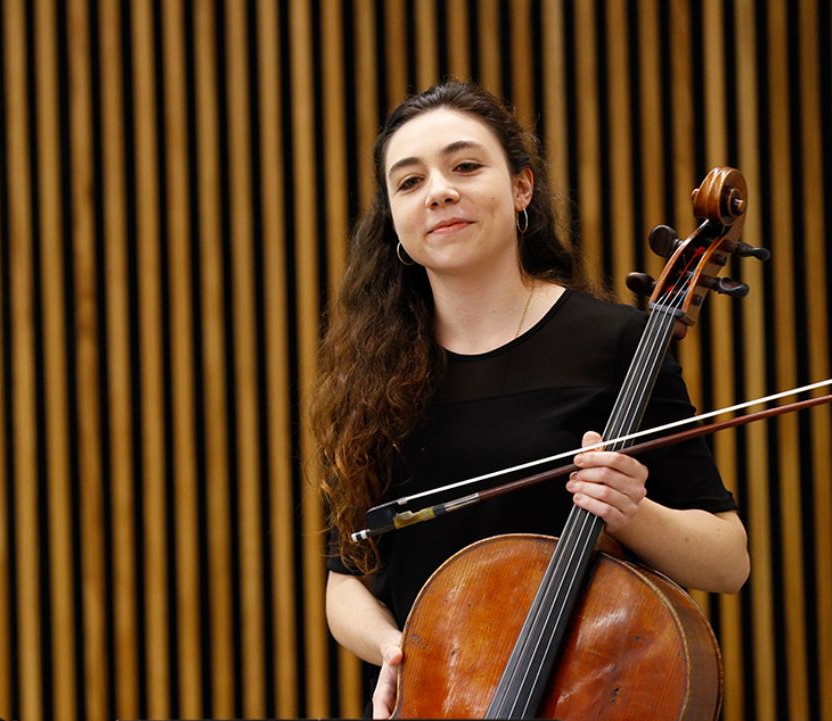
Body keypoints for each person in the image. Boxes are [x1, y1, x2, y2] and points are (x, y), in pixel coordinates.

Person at [311, 81, 750, 719]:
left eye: (465, 166)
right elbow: (345, 580)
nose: (438, 190)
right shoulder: (373, 379)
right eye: (408, 182)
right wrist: (402, 652)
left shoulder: (616, 343)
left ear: (522, 188)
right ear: (397, 224)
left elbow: (728, 560)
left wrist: (632, 511)